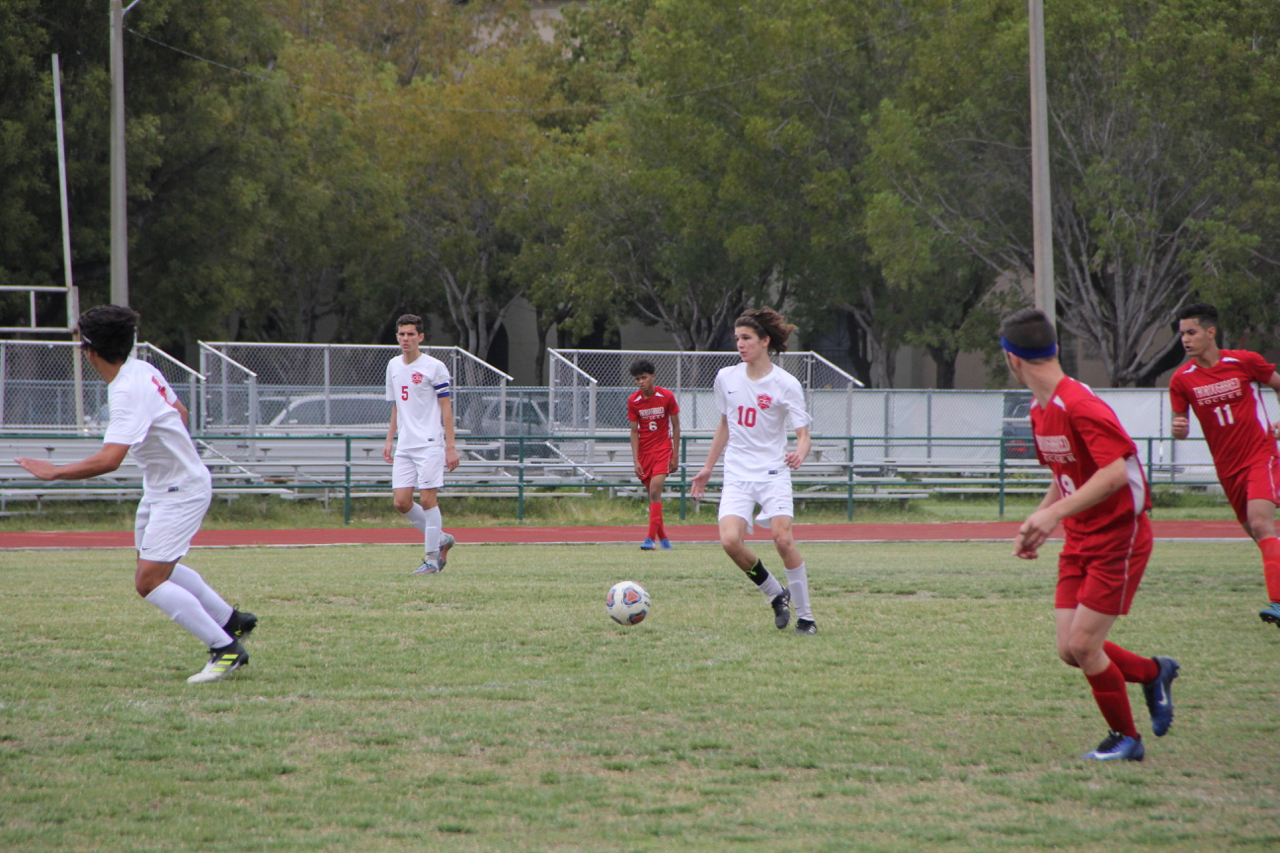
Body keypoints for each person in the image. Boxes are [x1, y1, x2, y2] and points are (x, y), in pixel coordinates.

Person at [15, 305, 257, 684]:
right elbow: (181, 412)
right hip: (164, 486)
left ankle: (225, 649)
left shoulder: (126, 390)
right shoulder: (142, 368)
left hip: (180, 490)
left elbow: (111, 459)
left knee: (149, 581)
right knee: (158, 567)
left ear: (89, 349)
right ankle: (232, 620)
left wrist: (55, 472)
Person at [1003, 308, 1178, 761]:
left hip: (1119, 537)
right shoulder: (1042, 412)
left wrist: (1053, 515)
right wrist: (1040, 520)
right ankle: (1154, 672)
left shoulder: (1079, 403)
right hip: (1079, 539)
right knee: (1070, 649)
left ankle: (1127, 738)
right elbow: (1064, 474)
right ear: (1054, 349)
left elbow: (1115, 473)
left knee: (1084, 644)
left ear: (1011, 359)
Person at [691, 308, 818, 635]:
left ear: (764, 341)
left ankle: (806, 617)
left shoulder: (786, 384)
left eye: (746, 338)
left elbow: (803, 435)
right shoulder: (726, 378)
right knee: (730, 541)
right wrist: (707, 468)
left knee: (782, 539)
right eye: (737, 339)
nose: (740, 344)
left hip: (773, 472)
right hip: (737, 474)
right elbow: (725, 424)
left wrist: (799, 453)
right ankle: (776, 594)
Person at [1168, 303, 1280, 627]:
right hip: (1227, 468)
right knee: (1258, 533)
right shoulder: (1181, 380)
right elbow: (1181, 423)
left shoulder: (1243, 361)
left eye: (1191, 332)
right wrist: (1179, 429)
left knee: (1261, 524)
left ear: (1210, 332)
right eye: (1182, 334)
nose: (1186, 340)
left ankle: (1277, 602)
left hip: (1261, 453)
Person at [383, 314, 460, 575]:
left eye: (411, 334)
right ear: (397, 336)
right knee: (401, 502)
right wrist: (390, 439)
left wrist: (450, 446)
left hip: (429, 443)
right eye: (402, 334)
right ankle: (441, 539)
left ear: (421, 337)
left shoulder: (434, 367)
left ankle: (432, 559)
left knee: (428, 500)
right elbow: (396, 406)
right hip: (405, 444)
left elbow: (446, 407)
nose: (406, 339)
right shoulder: (393, 365)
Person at [627, 358, 681, 550]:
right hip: (645, 453)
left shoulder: (666, 396)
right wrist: (635, 460)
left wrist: (675, 455)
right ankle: (664, 540)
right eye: (637, 379)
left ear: (652, 377)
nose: (641, 382)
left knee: (655, 490)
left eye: (644, 377)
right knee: (652, 496)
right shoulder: (633, 400)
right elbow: (634, 432)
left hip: (663, 449)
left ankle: (650, 539)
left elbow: (675, 426)